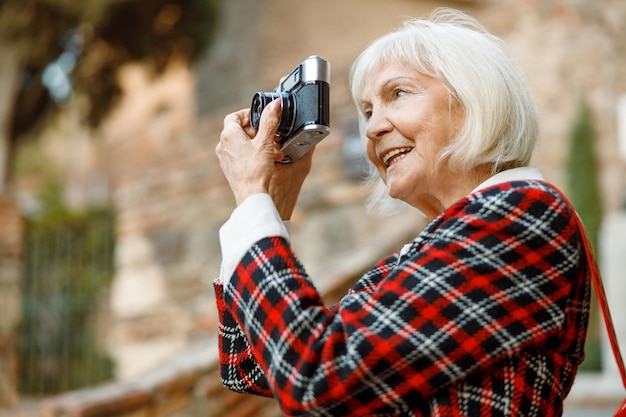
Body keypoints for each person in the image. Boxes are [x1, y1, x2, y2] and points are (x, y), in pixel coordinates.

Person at [214, 8, 591, 416]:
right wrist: (271, 203)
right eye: (368, 111)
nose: (372, 128)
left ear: (474, 98)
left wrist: (253, 198)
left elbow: (318, 380)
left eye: (398, 94)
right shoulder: (425, 253)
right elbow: (249, 365)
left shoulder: (520, 215)